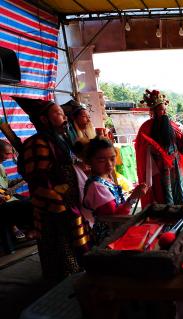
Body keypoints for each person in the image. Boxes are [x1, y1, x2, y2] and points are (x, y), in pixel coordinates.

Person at [13, 96, 91, 282]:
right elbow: (38, 179)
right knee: (58, 247)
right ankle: (60, 285)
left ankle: (76, 278)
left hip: (70, 201)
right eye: (58, 113)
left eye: (64, 114)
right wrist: (59, 203)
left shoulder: (60, 139)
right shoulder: (37, 143)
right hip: (53, 208)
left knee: (75, 244)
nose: (64, 117)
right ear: (43, 119)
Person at [135, 89, 183, 206]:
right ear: (154, 111)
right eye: (161, 109)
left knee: (178, 188)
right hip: (158, 167)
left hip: (176, 164)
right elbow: (141, 148)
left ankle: (180, 210)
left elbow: (181, 142)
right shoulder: (146, 127)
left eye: (165, 109)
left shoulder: (171, 125)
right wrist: (153, 152)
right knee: (163, 192)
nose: (164, 112)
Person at [82, 137, 148, 244]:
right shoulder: (96, 186)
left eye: (112, 159)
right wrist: (133, 197)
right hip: (107, 238)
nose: (109, 164)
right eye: (101, 160)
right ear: (90, 161)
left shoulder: (106, 177)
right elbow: (114, 218)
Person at [0, 140, 33, 254]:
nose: (9, 156)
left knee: (30, 201)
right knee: (28, 204)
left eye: (10, 153)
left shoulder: (1, 167)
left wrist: (21, 180)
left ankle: (27, 230)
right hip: (2, 203)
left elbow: (5, 185)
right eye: (7, 153)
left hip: (6, 198)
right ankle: (29, 230)